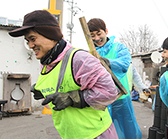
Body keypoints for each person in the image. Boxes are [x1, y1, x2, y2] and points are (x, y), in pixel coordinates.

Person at [8, 10, 119, 139]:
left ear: (50, 35)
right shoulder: (46, 64)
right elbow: (61, 90)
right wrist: (43, 92)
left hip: (96, 134)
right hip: (69, 134)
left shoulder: (79, 59)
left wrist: (74, 98)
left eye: (33, 39)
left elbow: (109, 91)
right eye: (28, 41)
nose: (31, 45)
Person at [88, 18, 142, 139]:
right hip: (101, 101)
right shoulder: (89, 54)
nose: (97, 38)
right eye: (92, 35)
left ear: (106, 31)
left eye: (99, 33)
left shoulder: (119, 48)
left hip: (121, 98)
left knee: (128, 131)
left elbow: (124, 63)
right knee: (104, 132)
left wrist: (105, 62)